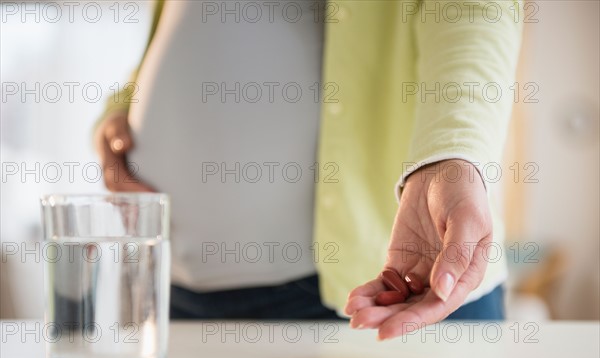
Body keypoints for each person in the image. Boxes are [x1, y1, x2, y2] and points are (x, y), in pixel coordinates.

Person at [94, 0, 523, 340]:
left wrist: (452, 152)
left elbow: (474, 9)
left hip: (347, 295)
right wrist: (121, 111)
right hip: (173, 289)